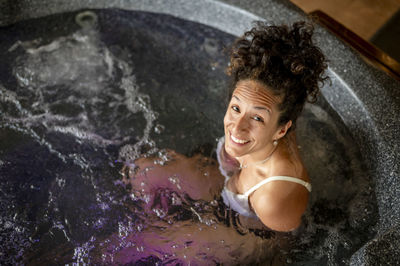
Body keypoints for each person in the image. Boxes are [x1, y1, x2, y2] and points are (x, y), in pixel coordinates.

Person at [99, 20, 328, 264]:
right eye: (236, 107)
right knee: (143, 171)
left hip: (248, 233)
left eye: (257, 117)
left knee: (132, 245)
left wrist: (186, 234)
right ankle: (155, 220)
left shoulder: (275, 196)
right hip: (228, 182)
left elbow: (280, 248)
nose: (237, 127)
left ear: (282, 130)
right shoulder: (269, 112)